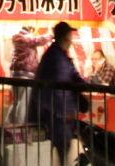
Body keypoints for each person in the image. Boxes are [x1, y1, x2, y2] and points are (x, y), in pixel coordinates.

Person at [34, 21, 88, 166]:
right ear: (66, 37)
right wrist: (65, 112)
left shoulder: (56, 55)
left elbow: (72, 77)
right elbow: (61, 84)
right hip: (57, 112)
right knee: (62, 147)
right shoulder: (57, 58)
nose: (71, 39)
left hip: (54, 110)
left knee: (61, 149)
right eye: (70, 35)